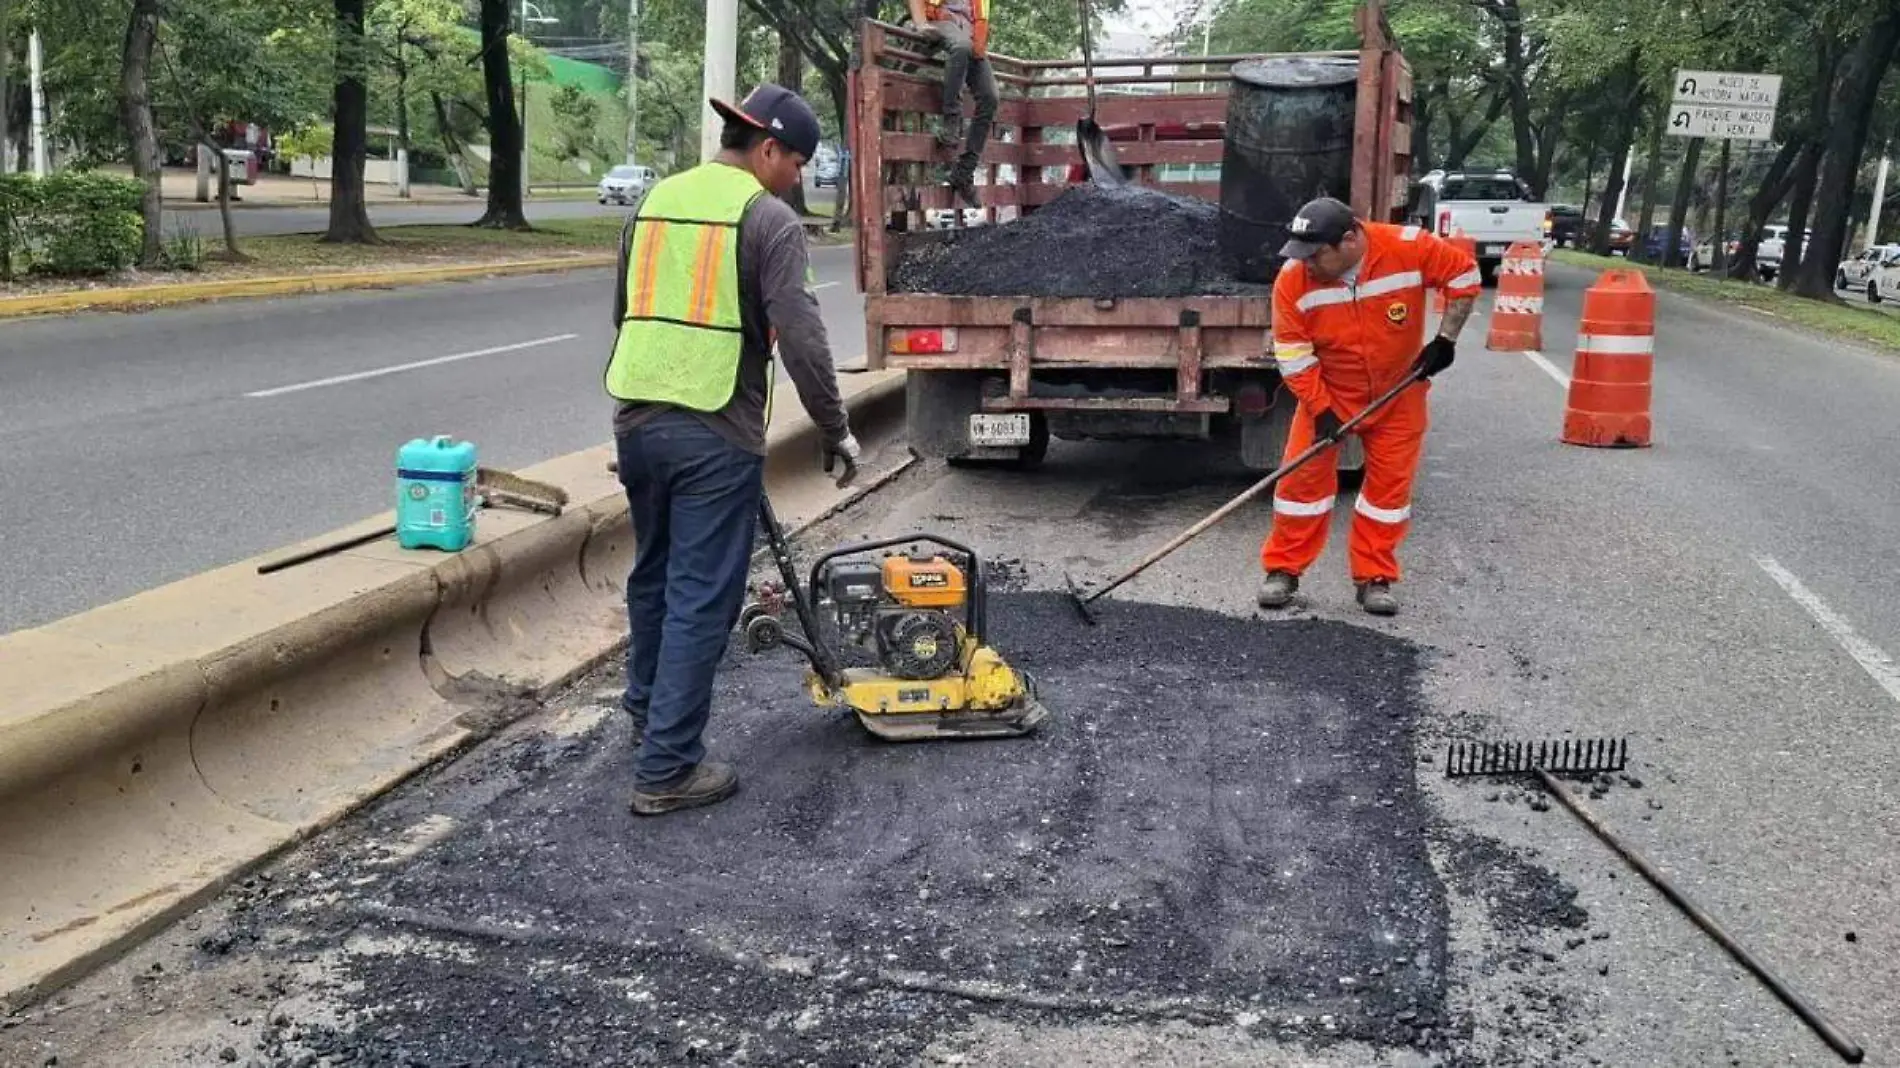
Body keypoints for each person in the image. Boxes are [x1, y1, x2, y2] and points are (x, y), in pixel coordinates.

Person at [604, 84, 860, 816]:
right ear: (769, 149)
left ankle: (647, 714)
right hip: (714, 427)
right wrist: (834, 428)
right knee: (700, 597)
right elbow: (803, 337)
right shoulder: (766, 218)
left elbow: (626, 311)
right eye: (799, 166)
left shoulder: (653, 202)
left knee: (653, 575)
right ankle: (668, 768)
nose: (797, 182)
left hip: (638, 419)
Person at [1256, 196, 1481, 617]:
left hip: (1398, 392)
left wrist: (1445, 340)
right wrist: (1321, 407)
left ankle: (1374, 577)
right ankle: (1283, 570)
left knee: (1387, 492)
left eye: (1315, 254)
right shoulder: (1293, 281)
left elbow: (1464, 274)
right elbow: (1292, 352)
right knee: (1300, 486)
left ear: (1349, 240)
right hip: (1330, 392)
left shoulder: (1407, 247)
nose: (1306, 264)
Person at [908, 0, 995, 208]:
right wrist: (920, 23)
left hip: (968, 30)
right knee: (961, 46)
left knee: (990, 97)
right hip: (939, 20)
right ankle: (951, 120)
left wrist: (978, 34)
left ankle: (964, 173)